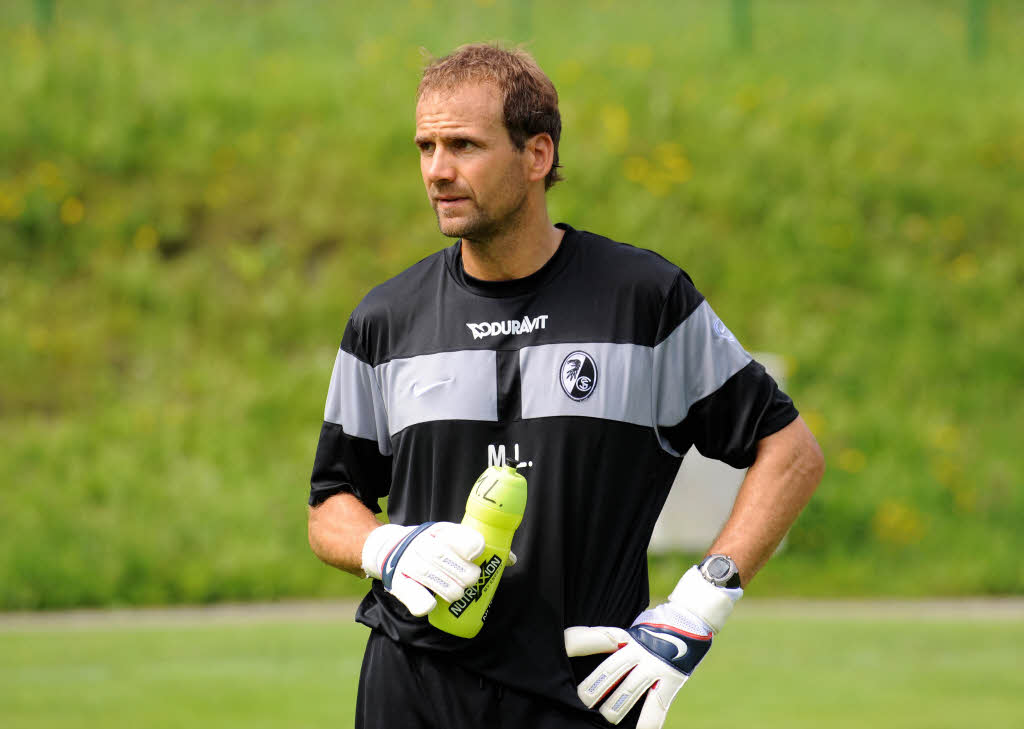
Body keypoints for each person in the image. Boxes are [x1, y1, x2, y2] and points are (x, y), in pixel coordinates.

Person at [307, 43, 824, 729]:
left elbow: (790, 452)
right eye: (425, 147)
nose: (437, 170)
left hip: (585, 693)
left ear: (537, 154)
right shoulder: (385, 320)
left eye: (463, 144)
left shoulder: (643, 302)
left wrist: (698, 608)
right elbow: (331, 503)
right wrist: (387, 547)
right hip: (409, 691)